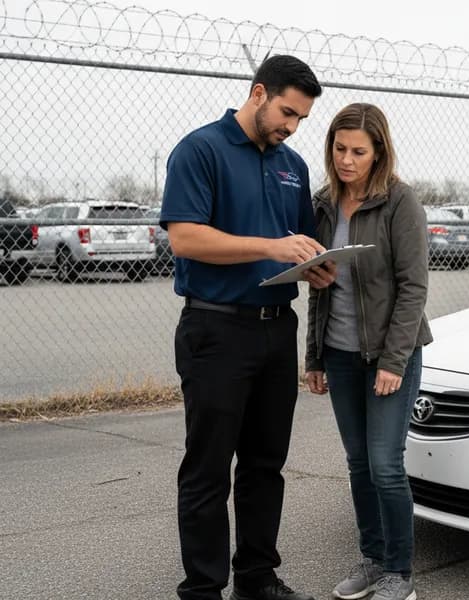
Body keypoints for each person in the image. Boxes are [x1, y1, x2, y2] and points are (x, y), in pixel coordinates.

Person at [160, 54, 335, 600]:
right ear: (258, 94)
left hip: (276, 330)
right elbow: (185, 238)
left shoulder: (293, 166)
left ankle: (257, 578)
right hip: (216, 330)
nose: (292, 126)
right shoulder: (201, 149)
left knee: (265, 464)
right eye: (287, 112)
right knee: (208, 468)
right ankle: (204, 589)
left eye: (302, 119)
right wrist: (269, 246)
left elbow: (298, 246)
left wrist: (318, 268)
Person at [305, 103, 432, 600]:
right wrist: (314, 357)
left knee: (385, 464)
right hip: (338, 353)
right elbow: (319, 286)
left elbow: (413, 287)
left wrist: (393, 361)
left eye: (358, 151)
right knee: (358, 463)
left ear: (379, 151)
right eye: (339, 149)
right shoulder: (324, 205)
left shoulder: (400, 203)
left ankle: (399, 573)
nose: (347, 160)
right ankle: (372, 559)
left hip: (388, 355)